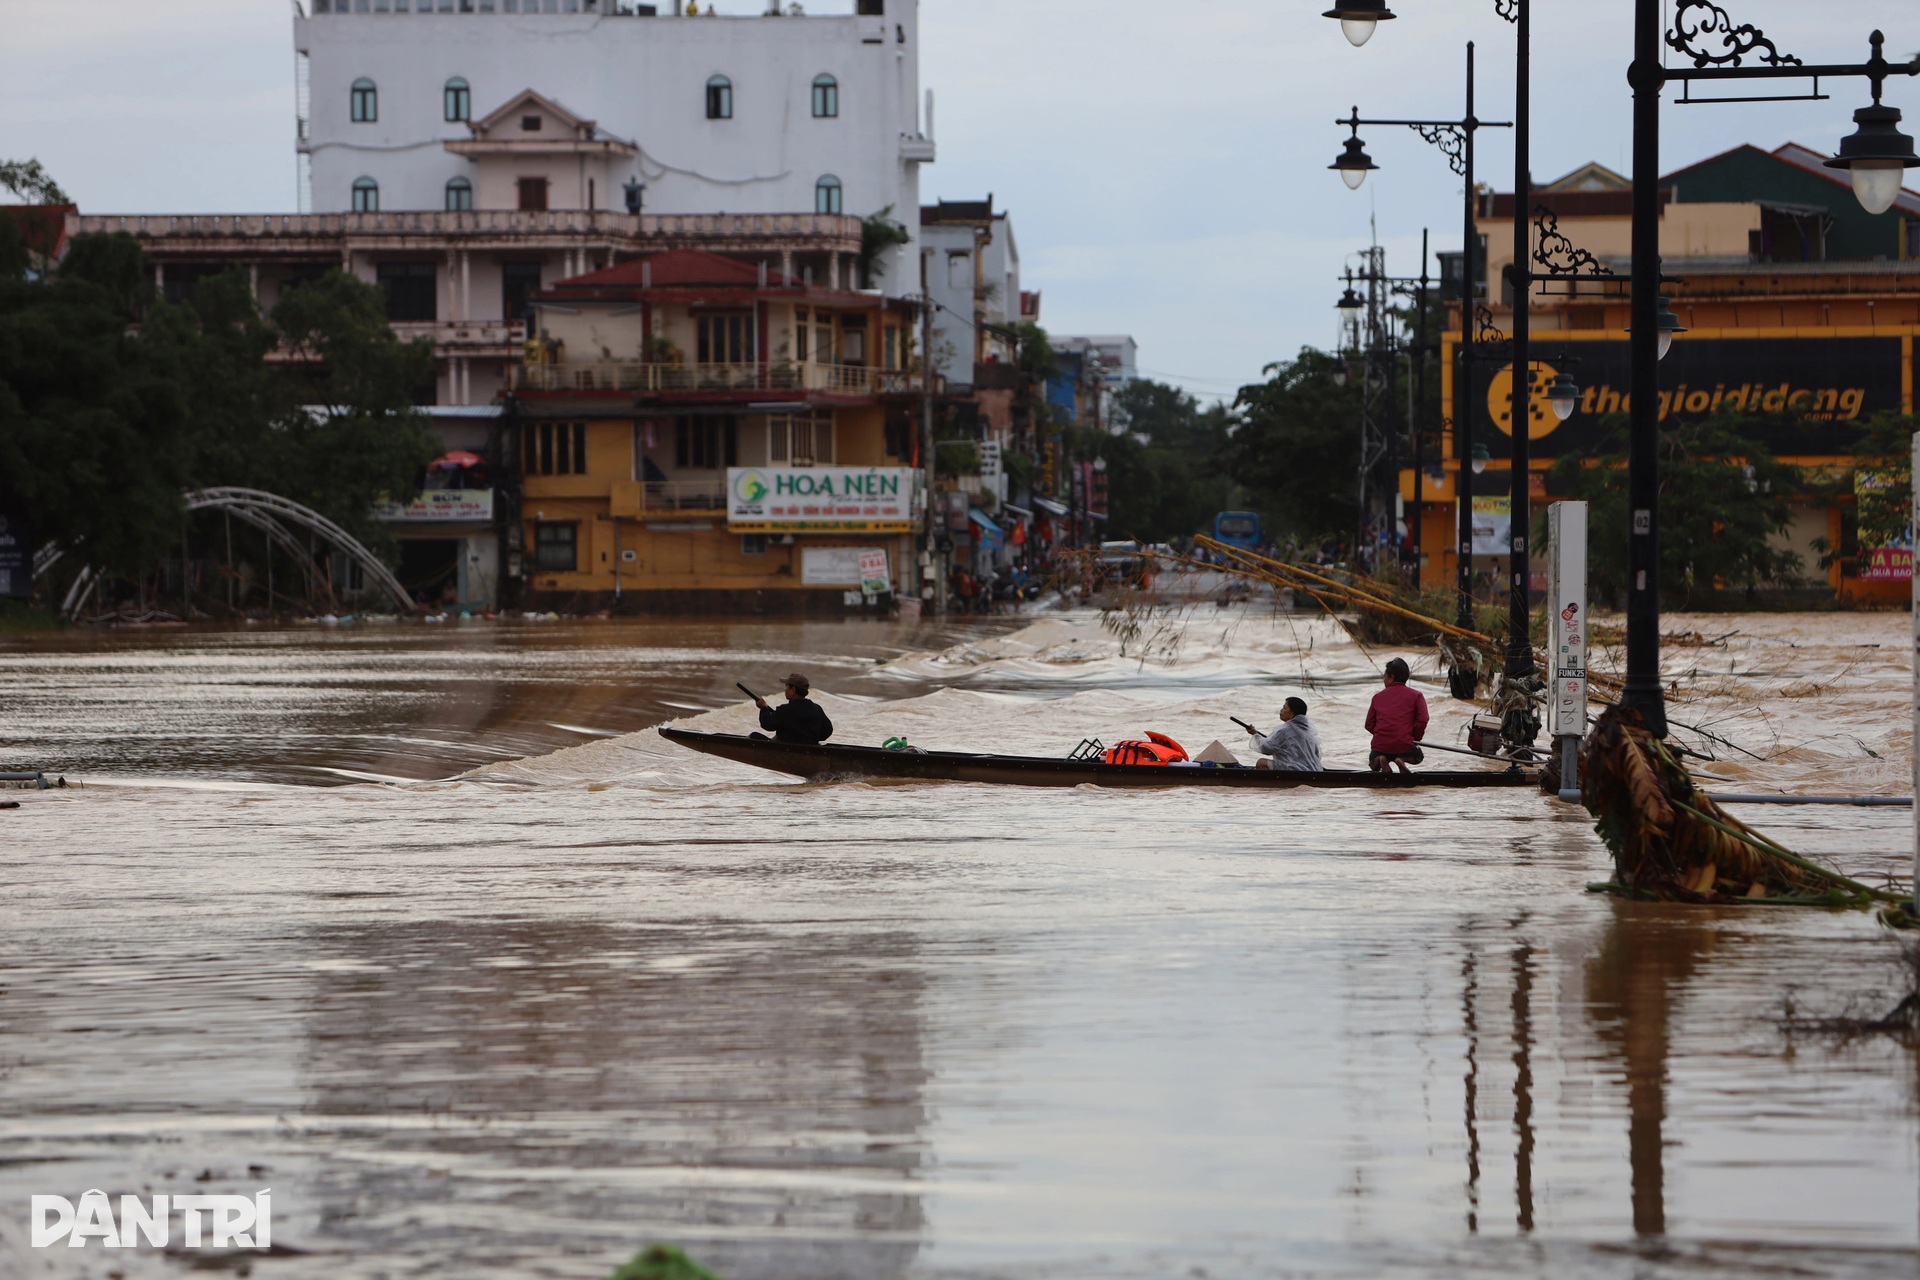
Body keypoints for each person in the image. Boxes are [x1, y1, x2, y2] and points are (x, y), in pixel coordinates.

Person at [1366, 657, 1429, 773]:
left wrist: (1383, 735)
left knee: (1372, 762)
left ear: (1391, 677)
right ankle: (1402, 759)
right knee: (1418, 756)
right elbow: (1423, 719)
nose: (1384, 679)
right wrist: (1415, 737)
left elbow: (1369, 724)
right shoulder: (1417, 696)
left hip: (1381, 746)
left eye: (1384, 676)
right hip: (1404, 745)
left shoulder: (1377, 697)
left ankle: (1380, 759)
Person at [753, 673, 833, 745]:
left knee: (753, 736)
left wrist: (764, 707)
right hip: (809, 750)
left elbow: (767, 724)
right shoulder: (817, 709)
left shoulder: (785, 710)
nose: (785, 690)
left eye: (787, 687)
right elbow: (827, 731)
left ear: (793, 690)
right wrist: (809, 739)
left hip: (786, 750)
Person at [1250, 696, 1322, 772]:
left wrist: (1255, 734)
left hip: (1293, 771)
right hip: (1313, 771)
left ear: (1292, 713)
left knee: (1261, 763)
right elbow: (1316, 755)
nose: (1281, 710)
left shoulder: (1284, 731)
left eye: (1284, 708)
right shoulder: (1308, 732)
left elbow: (1265, 749)